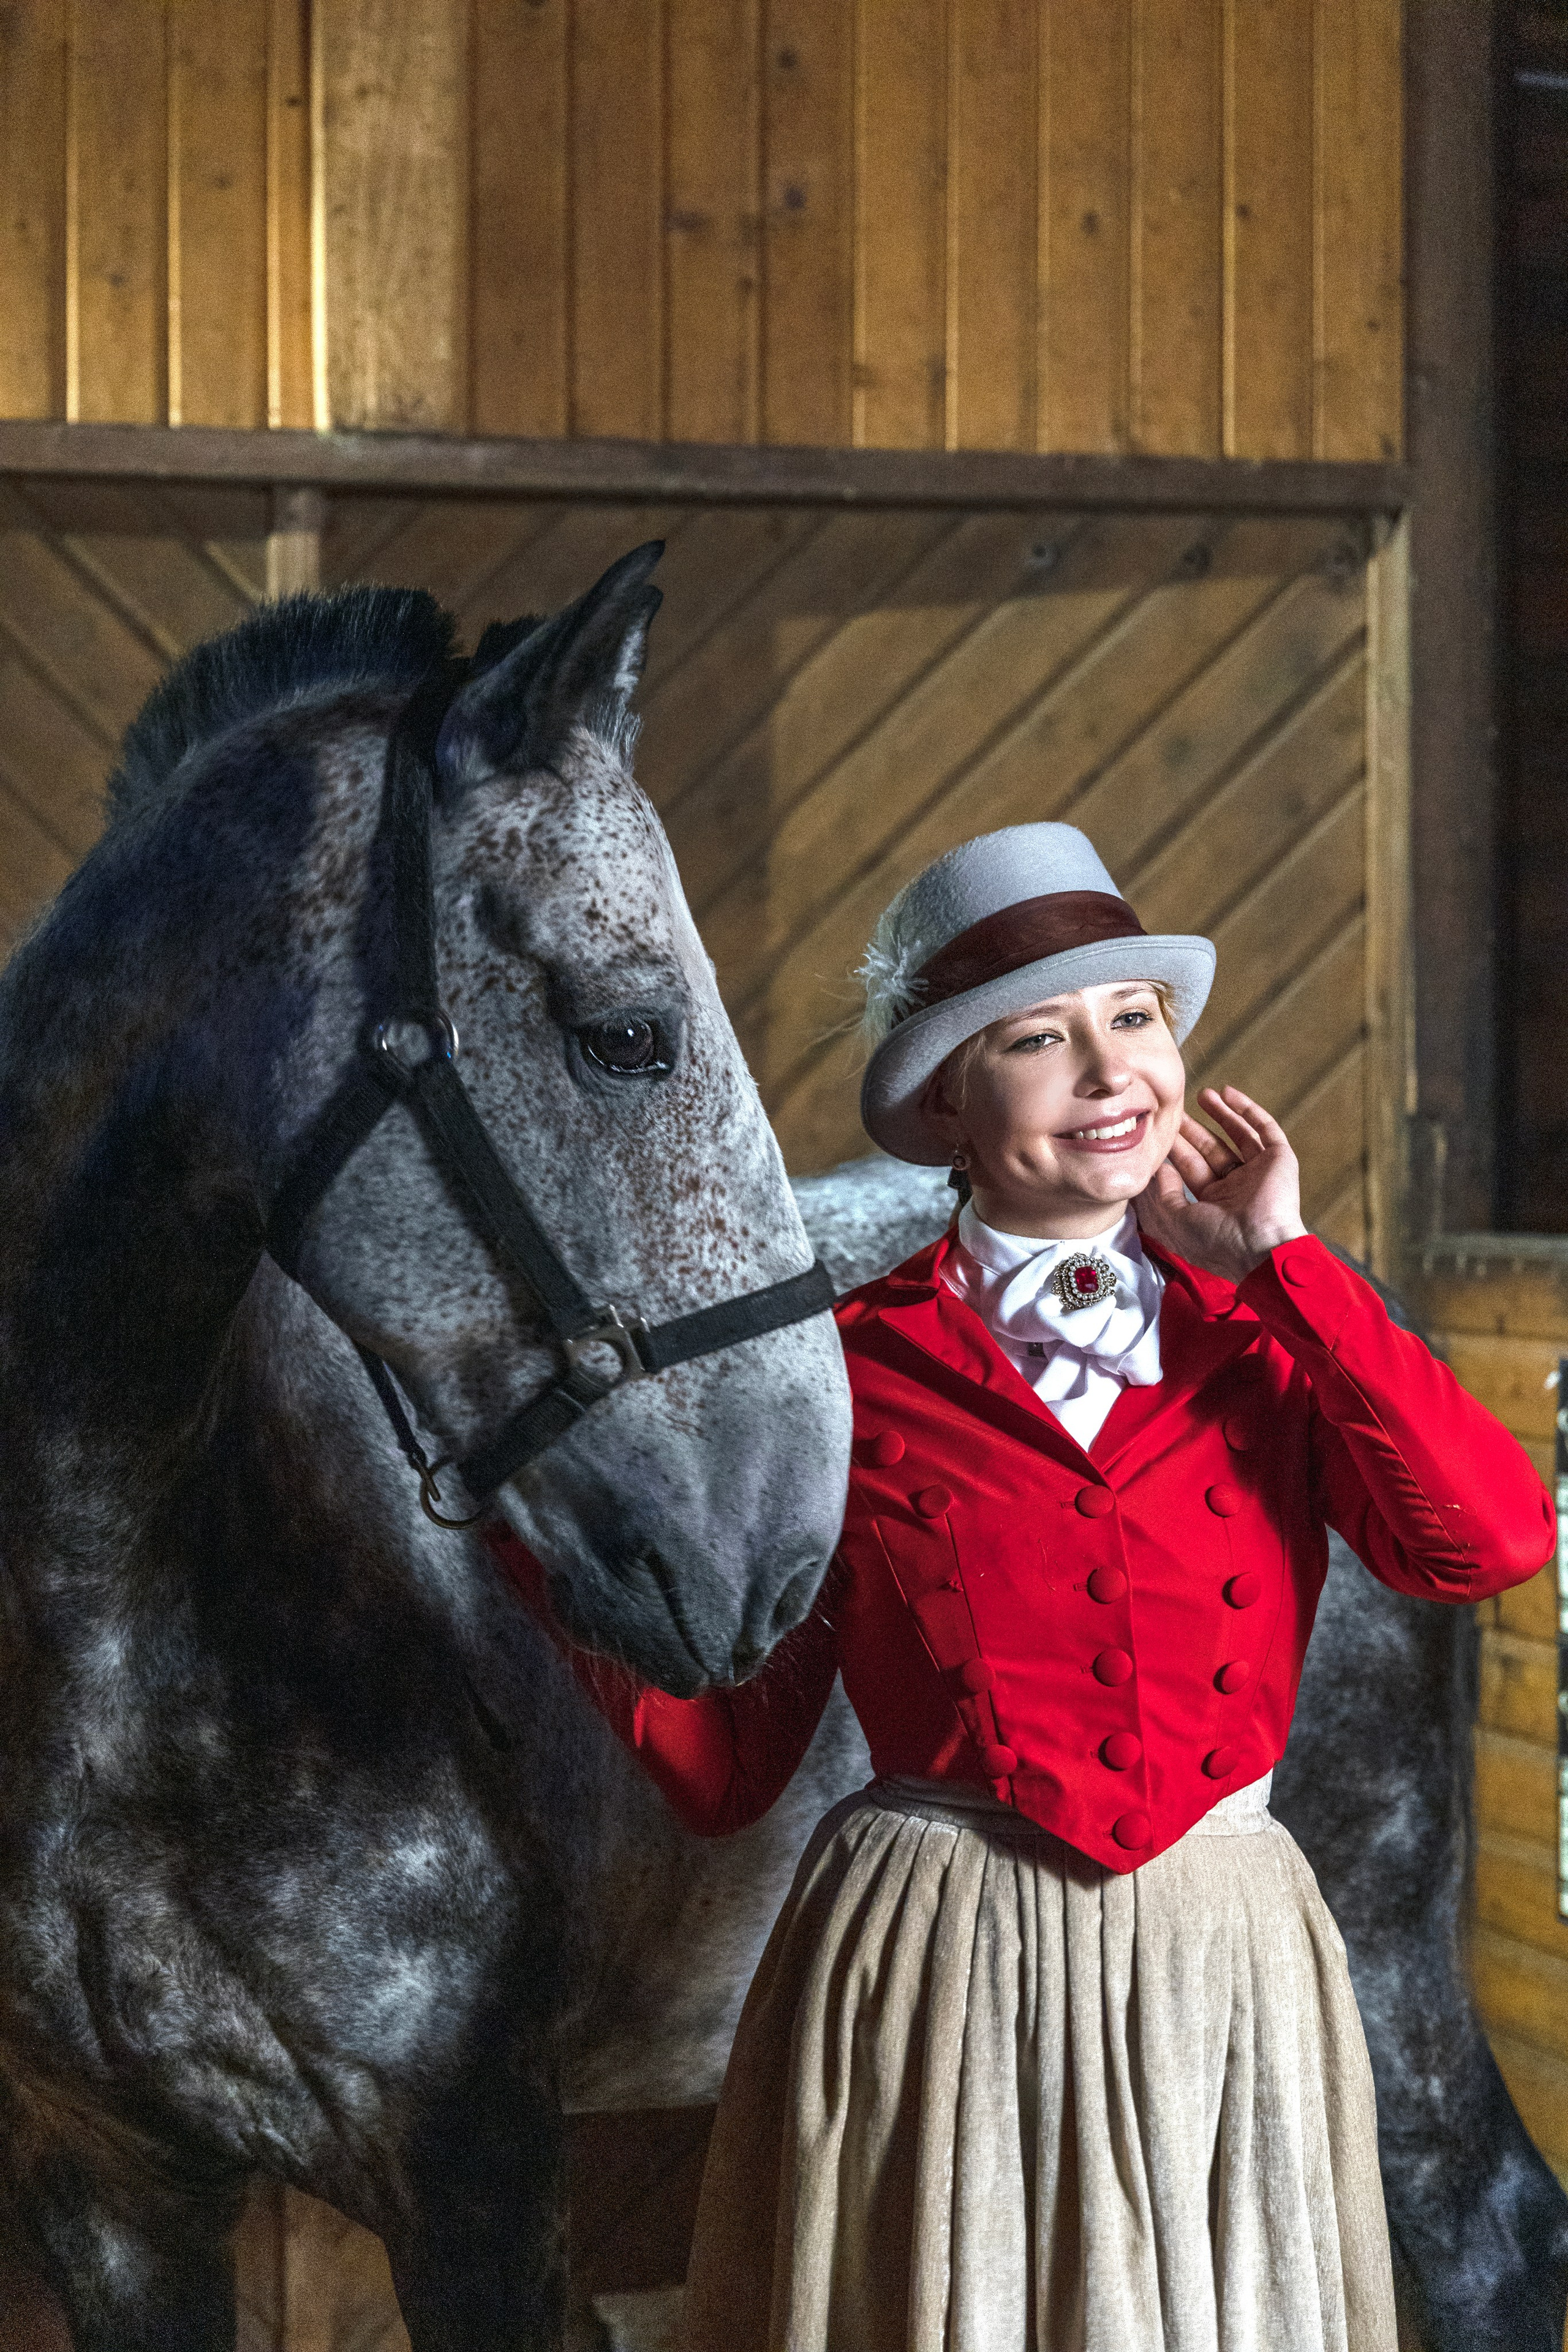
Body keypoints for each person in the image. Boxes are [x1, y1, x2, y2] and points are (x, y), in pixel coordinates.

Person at [489, 822, 1553, 2352]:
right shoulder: (835, 1378)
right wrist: (542, 1551)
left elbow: (1489, 1543)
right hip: (940, 1967)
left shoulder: (1272, 1341)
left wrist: (1285, 1264)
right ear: (945, 1103)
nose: (1111, 1072)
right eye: (1038, 1039)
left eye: (1134, 1019)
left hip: (1222, 1967)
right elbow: (728, 1771)